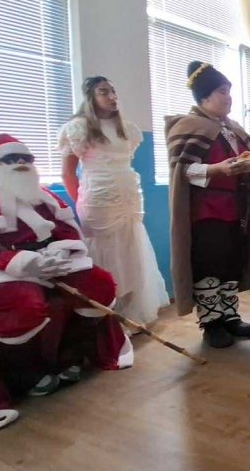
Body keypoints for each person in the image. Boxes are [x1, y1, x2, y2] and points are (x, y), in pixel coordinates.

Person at [0, 134, 132, 437]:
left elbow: (68, 231)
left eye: (26, 158)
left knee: (99, 284)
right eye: (11, 159)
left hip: (52, 262)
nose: (21, 164)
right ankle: (29, 374)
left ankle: (70, 357)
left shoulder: (45, 196)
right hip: (3, 272)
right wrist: (17, 262)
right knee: (25, 304)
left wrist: (60, 252)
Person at [165, 61, 250, 348]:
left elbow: (246, 162)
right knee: (210, 265)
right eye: (222, 92)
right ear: (204, 96)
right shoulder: (187, 126)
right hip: (206, 212)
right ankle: (211, 323)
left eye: (229, 91)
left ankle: (230, 316)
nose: (228, 98)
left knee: (231, 263)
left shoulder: (234, 129)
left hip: (238, 210)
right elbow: (182, 171)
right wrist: (217, 169)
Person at [58, 76, 169, 328]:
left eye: (113, 91)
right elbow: (68, 174)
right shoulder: (78, 127)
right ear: (91, 97)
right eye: (104, 92)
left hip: (128, 197)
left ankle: (130, 314)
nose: (112, 97)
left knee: (130, 249)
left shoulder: (126, 129)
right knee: (105, 251)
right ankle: (106, 316)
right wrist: (81, 202)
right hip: (98, 199)